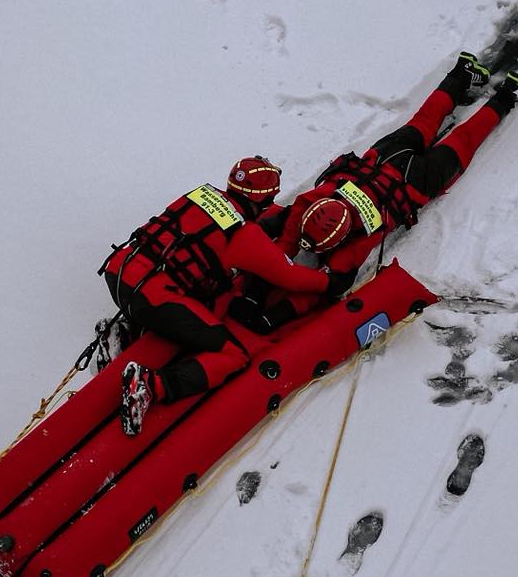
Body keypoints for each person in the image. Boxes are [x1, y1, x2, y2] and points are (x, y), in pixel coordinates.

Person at [258, 52, 518, 318]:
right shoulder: (323, 195)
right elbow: (292, 223)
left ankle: (506, 96)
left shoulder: (355, 241)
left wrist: (273, 302)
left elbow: (334, 282)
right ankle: (462, 74)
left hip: (416, 182)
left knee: (463, 140)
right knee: (425, 120)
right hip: (383, 157)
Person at [101, 156, 353, 434]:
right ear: (266, 199)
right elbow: (288, 274)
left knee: (202, 289)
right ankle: (151, 386)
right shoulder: (243, 236)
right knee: (232, 353)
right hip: (153, 297)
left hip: (120, 271)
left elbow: (205, 233)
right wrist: (329, 282)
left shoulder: (201, 194)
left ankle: (125, 333)